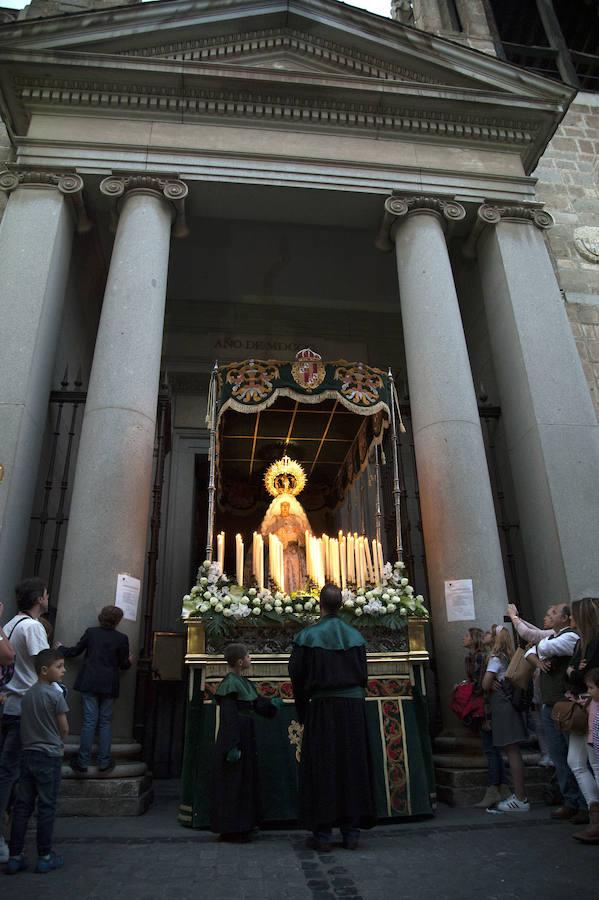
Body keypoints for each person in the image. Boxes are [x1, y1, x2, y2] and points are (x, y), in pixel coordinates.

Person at [288, 583, 375, 850]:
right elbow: (363, 676)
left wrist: (304, 712)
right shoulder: (355, 636)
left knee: (323, 766)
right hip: (352, 710)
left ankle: (323, 833)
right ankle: (351, 831)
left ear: (320, 604)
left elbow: (297, 676)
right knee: (352, 765)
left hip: (322, 708)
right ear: (342, 604)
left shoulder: (307, 636)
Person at [5, 648, 68, 875]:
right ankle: (44, 855)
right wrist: (57, 741)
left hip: (27, 753)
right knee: (46, 806)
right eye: (59, 667)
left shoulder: (28, 695)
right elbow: (64, 727)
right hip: (49, 755)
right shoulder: (56, 695)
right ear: (44, 670)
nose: (63, 671)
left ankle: (15, 856)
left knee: (22, 807)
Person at [0, 578, 50, 864]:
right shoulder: (32, 627)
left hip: (10, 704)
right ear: (38, 599)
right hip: (26, 708)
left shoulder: (9, 625)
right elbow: (44, 666)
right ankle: (12, 838)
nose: (47, 598)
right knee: (16, 773)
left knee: (10, 769)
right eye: (45, 595)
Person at [210, 642, 279, 842]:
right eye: (248, 656)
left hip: (245, 734)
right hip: (236, 736)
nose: (251, 659)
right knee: (234, 781)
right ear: (240, 662)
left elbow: (255, 703)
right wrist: (232, 745)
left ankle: (245, 823)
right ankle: (232, 828)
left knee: (245, 779)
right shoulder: (230, 684)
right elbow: (229, 716)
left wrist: (272, 706)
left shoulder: (243, 682)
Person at [525, 603, 586, 822]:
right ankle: (570, 800)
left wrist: (537, 650)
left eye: (552, 614)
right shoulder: (553, 638)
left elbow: (539, 648)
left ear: (565, 619)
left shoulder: (570, 637)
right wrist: (537, 659)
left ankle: (585, 804)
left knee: (576, 758)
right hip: (550, 705)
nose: (546, 616)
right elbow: (531, 652)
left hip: (566, 705)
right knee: (559, 756)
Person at [58, 605, 131, 774]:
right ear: (118, 621)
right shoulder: (122, 638)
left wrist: (60, 648)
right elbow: (123, 664)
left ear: (100, 617)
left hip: (90, 681)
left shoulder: (91, 633)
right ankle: (104, 761)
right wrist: (130, 660)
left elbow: (75, 651)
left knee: (89, 721)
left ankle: (82, 761)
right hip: (109, 684)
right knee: (105, 722)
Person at [483, 626, 530, 813]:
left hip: (503, 706)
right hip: (509, 705)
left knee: (511, 750)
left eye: (488, 633)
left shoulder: (495, 659)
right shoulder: (508, 657)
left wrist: (489, 682)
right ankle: (519, 795)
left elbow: (485, 683)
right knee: (512, 750)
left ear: (495, 639)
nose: (485, 635)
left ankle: (520, 797)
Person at [464, 628, 510, 809]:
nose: (484, 636)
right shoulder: (487, 656)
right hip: (489, 706)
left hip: (486, 707)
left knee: (491, 750)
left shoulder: (483, 658)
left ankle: (494, 789)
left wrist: (484, 713)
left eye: (467, 635)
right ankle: (503, 787)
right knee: (495, 749)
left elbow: (482, 686)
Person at [565, 598, 599, 843]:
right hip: (580, 706)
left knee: (595, 763)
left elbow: (580, 675)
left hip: (592, 708)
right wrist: (575, 672)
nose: (570, 618)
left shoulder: (594, 644)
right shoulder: (581, 645)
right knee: (576, 761)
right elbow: (574, 675)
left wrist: (575, 672)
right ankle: (594, 812)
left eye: (573, 614)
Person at [507, 603, 554, 766]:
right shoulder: (551, 634)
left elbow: (531, 635)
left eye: (550, 615)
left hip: (549, 691)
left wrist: (514, 618)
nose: (545, 617)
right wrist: (518, 618)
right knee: (540, 724)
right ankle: (546, 753)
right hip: (540, 688)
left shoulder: (558, 635)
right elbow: (535, 632)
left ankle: (551, 755)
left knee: (548, 726)